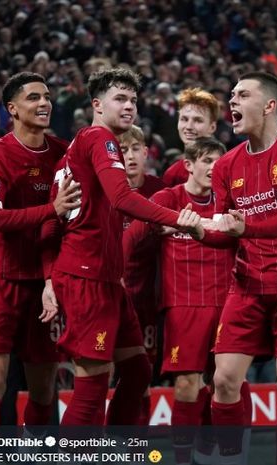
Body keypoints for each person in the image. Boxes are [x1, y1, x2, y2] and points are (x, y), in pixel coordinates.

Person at [43, 68, 199, 426]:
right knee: (92, 386)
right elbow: (121, 196)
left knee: (138, 370)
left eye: (133, 100)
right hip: (87, 276)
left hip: (104, 278)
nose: (129, 106)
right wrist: (178, 219)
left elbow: (54, 221)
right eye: (120, 98)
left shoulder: (75, 147)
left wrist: (50, 277)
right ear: (97, 104)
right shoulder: (100, 139)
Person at [184, 72, 277, 465]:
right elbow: (225, 234)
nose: (231, 101)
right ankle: (231, 459)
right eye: (230, 94)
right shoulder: (227, 164)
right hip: (247, 281)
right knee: (224, 380)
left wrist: (245, 226)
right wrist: (198, 231)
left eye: (242, 95)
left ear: (269, 105)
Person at [0, 72, 79, 445]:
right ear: (12, 109)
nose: (44, 103)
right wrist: (50, 210)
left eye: (47, 96)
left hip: (45, 282)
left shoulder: (64, 152)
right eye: (33, 98)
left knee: (44, 388)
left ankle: (36, 452)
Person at [124, 137, 234, 464]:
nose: (213, 168)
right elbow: (131, 238)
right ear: (188, 165)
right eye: (207, 161)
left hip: (227, 301)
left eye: (218, 161)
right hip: (183, 304)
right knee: (186, 385)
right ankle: (185, 458)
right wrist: (117, 274)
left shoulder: (228, 201)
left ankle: (210, 452)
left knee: (225, 383)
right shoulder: (167, 199)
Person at [118, 124, 166, 424]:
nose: (130, 156)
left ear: (146, 152)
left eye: (136, 149)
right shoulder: (104, 189)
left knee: (142, 376)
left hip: (148, 299)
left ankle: (136, 444)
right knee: (104, 375)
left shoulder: (160, 190)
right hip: (111, 295)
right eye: (123, 150)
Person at [162, 88, 219, 187]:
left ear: (212, 127)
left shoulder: (227, 168)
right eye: (184, 119)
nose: (188, 127)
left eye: (198, 120)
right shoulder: (172, 174)